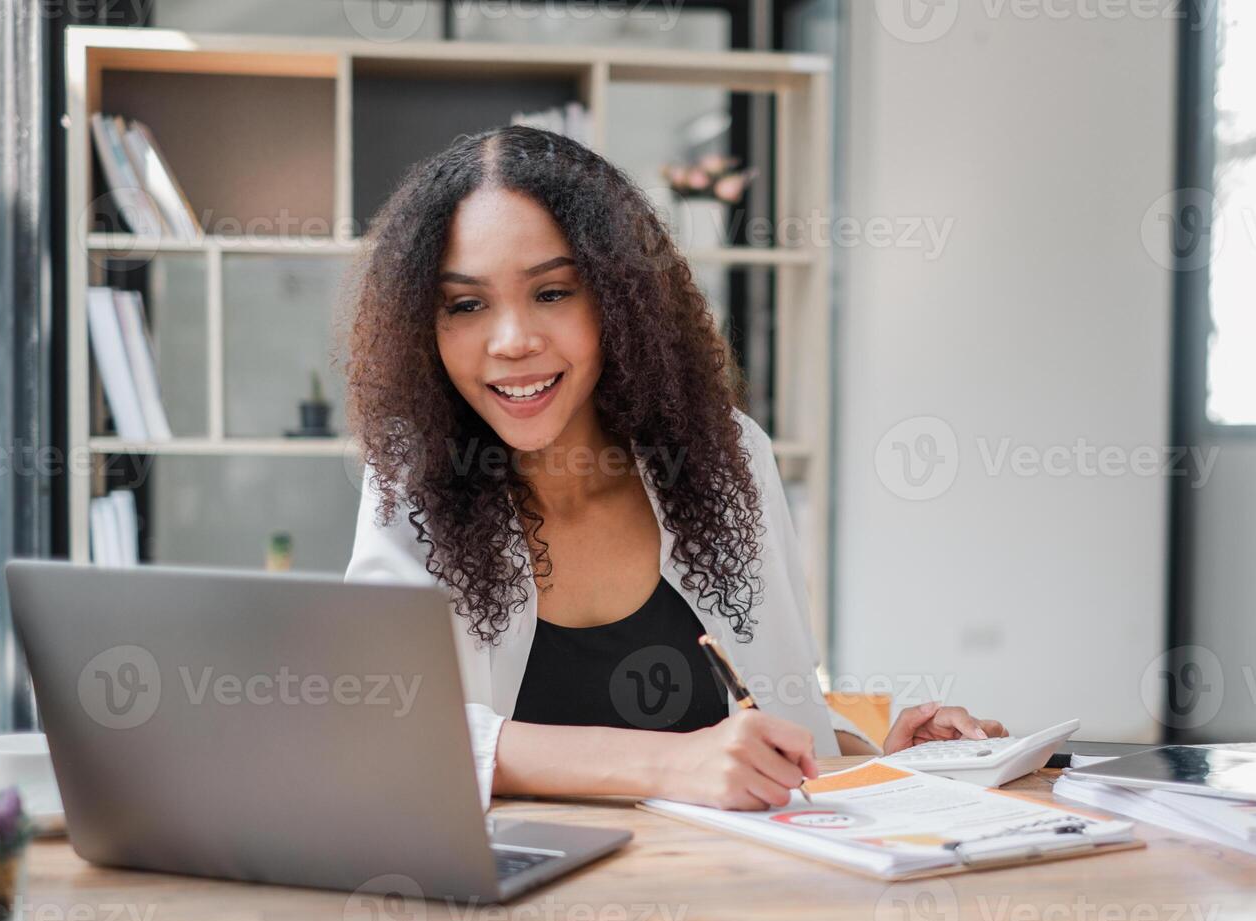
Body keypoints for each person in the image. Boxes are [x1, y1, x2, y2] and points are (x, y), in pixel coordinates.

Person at [342, 126, 1004, 811]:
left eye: (553, 292)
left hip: (728, 899)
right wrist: (666, 764)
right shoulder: (413, 484)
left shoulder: (727, 458)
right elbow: (389, 734)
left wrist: (894, 769)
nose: (513, 341)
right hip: (522, 904)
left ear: (619, 300)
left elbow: (782, 721)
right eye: (467, 304)